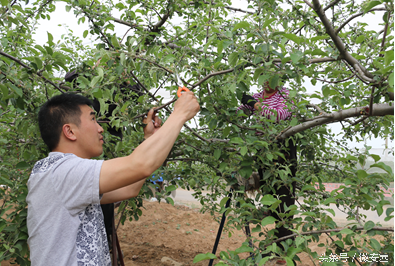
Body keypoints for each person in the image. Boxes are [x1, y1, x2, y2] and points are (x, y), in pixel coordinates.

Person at [26, 92, 199, 265]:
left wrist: (150, 138)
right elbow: (141, 164)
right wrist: (180, 114)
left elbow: (130, 188)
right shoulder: (62, 172)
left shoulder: (59, 175)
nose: (100, 128)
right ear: (70, 131)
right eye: (93, 120)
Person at [238, 80, 297, 256]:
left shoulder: (286, 95)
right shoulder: (258, 97)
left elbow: (278, 116)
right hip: (264, 152)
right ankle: (275, 247)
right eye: (263, 75)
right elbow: (237, 115)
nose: (266, 81)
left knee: (285, 202)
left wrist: (254, 105)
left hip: (283, 151)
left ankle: (284, 251)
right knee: (271, 197)